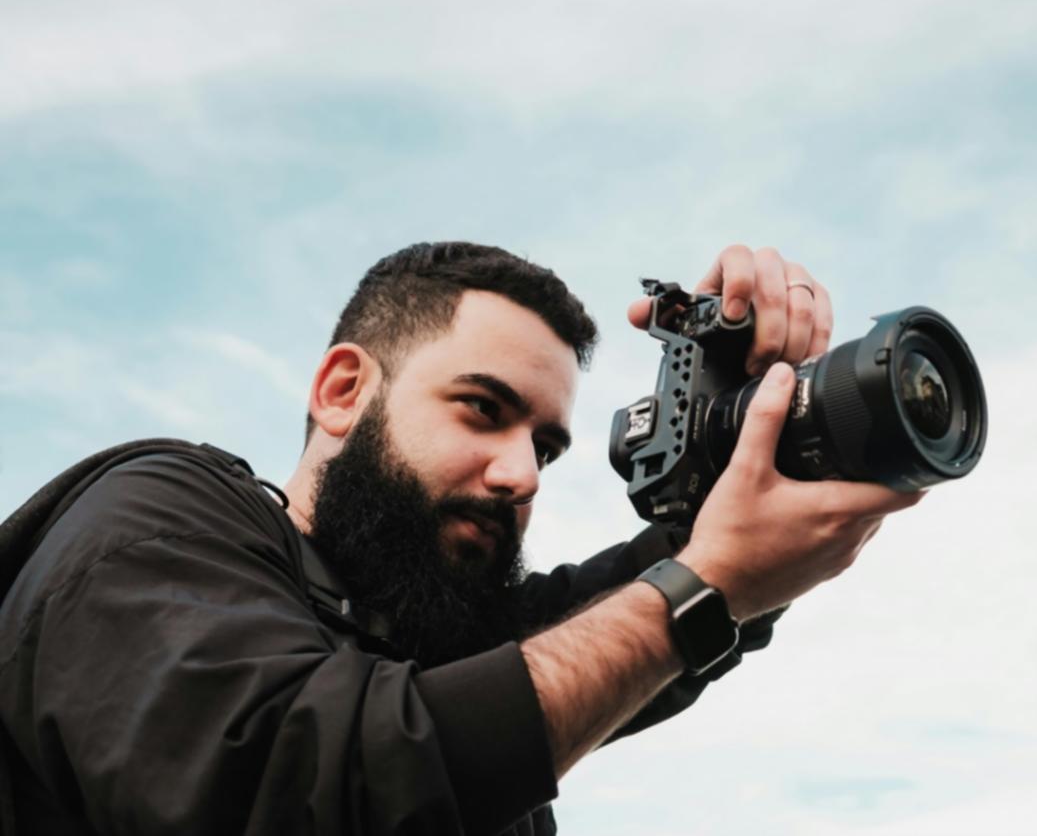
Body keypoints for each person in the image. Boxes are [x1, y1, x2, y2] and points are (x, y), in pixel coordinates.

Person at [0, 241, 924, 835]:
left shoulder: (425, 633)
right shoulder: (158, 516)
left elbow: (606, 628)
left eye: (546, 447)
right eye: (482, 409)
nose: (521, 473)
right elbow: (303, 792)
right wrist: (704, 586)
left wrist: (775, 439)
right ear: (342, 391)